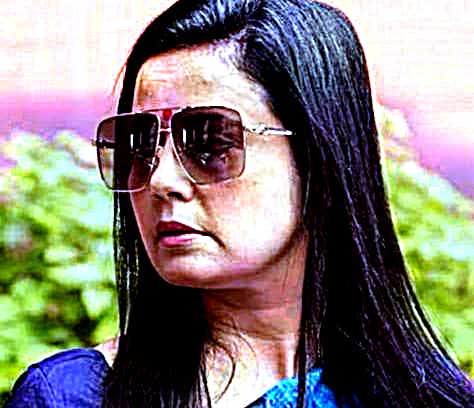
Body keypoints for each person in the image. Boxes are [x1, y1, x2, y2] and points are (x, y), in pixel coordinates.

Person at [6, 0, 473, 407]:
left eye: (211, 142)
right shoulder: (73, 396)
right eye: (139, 144)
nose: (161, 180)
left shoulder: (431, 397)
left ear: (319, 157)